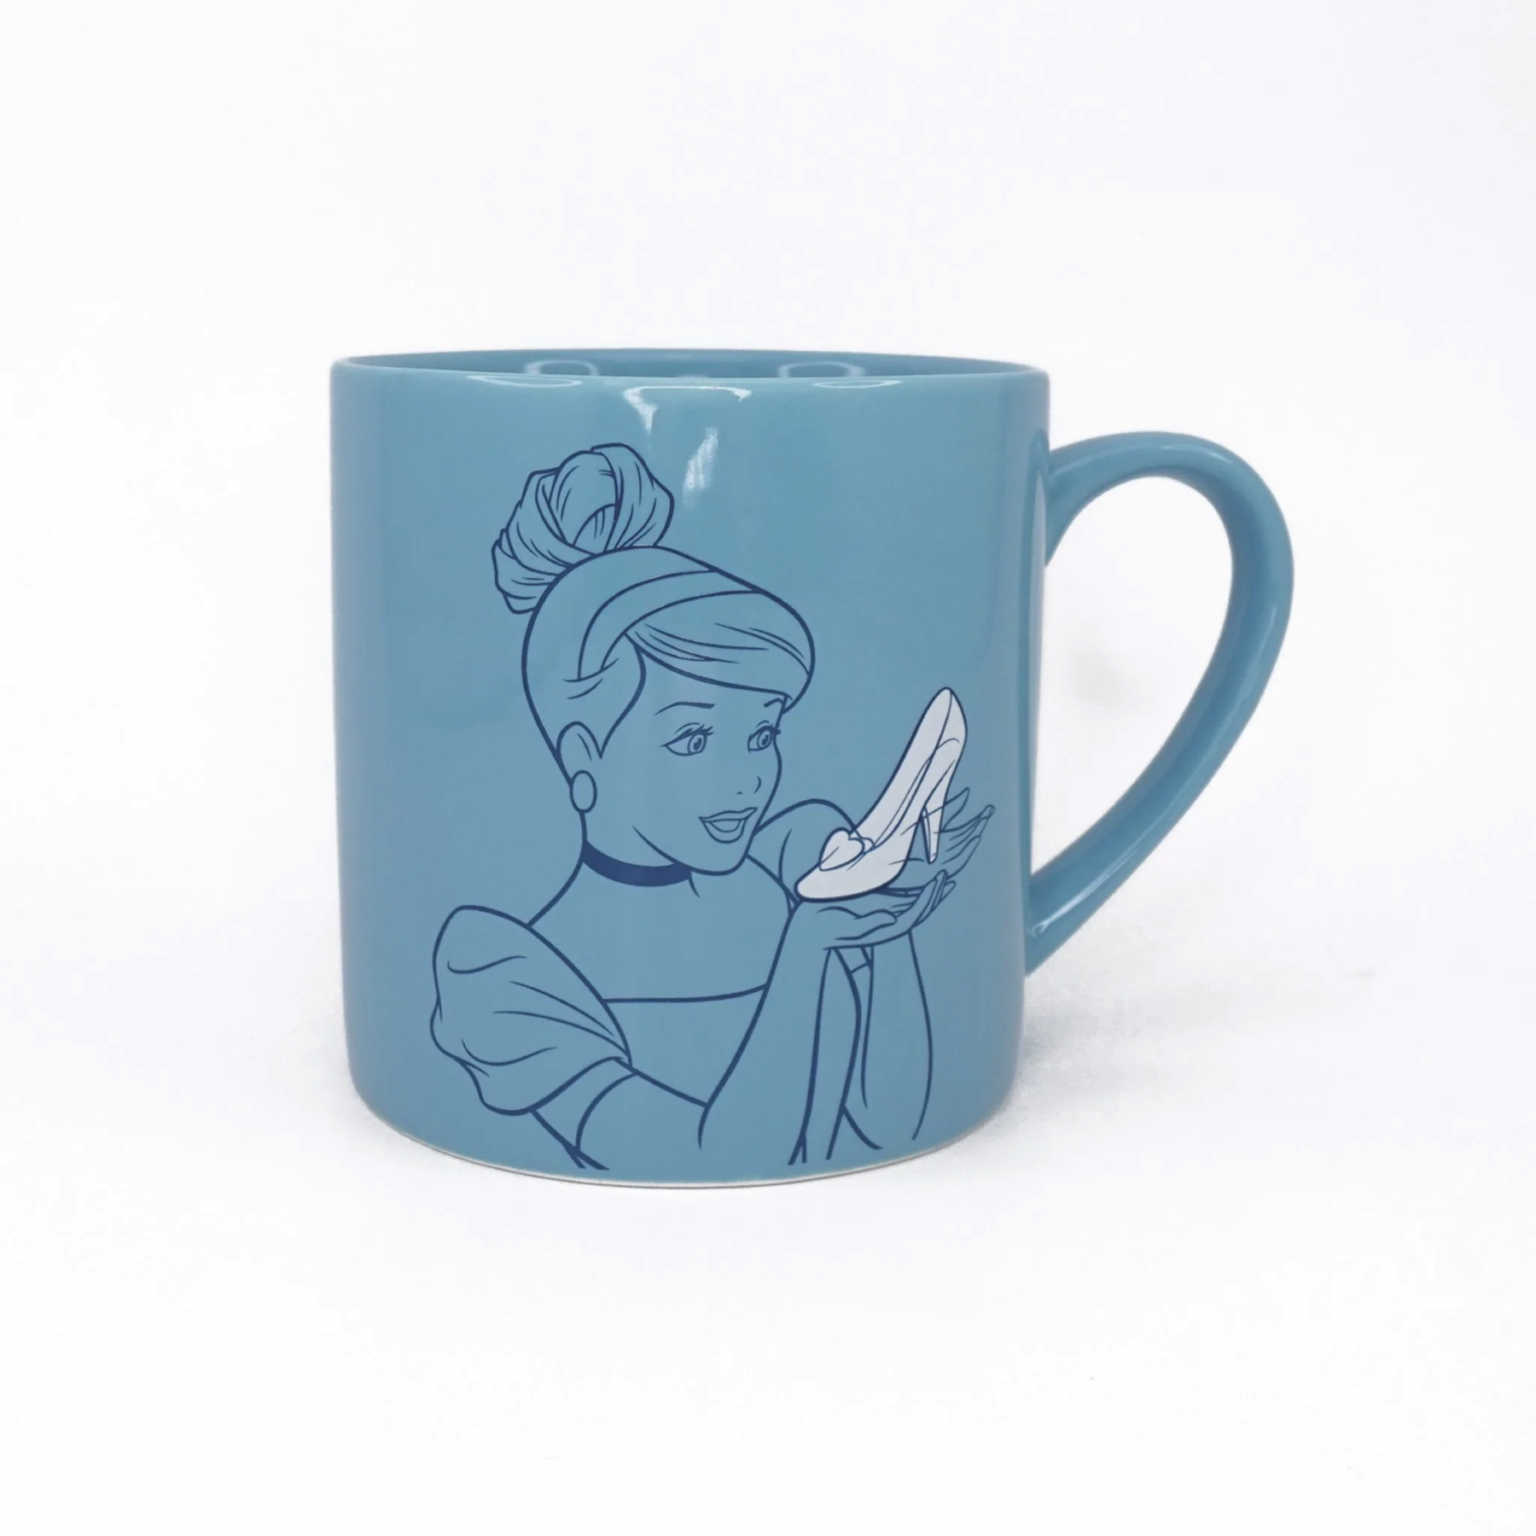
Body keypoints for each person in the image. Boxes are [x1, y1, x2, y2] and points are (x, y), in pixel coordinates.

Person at [430, 444, 990, 1178]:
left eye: (761, 733)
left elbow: (893, 1122)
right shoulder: (502, 973)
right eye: (693, 738)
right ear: (583, 756)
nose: (747, 778)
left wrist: (888, 930)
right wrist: (807, 951)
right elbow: (713, 1150)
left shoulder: (795, 860)